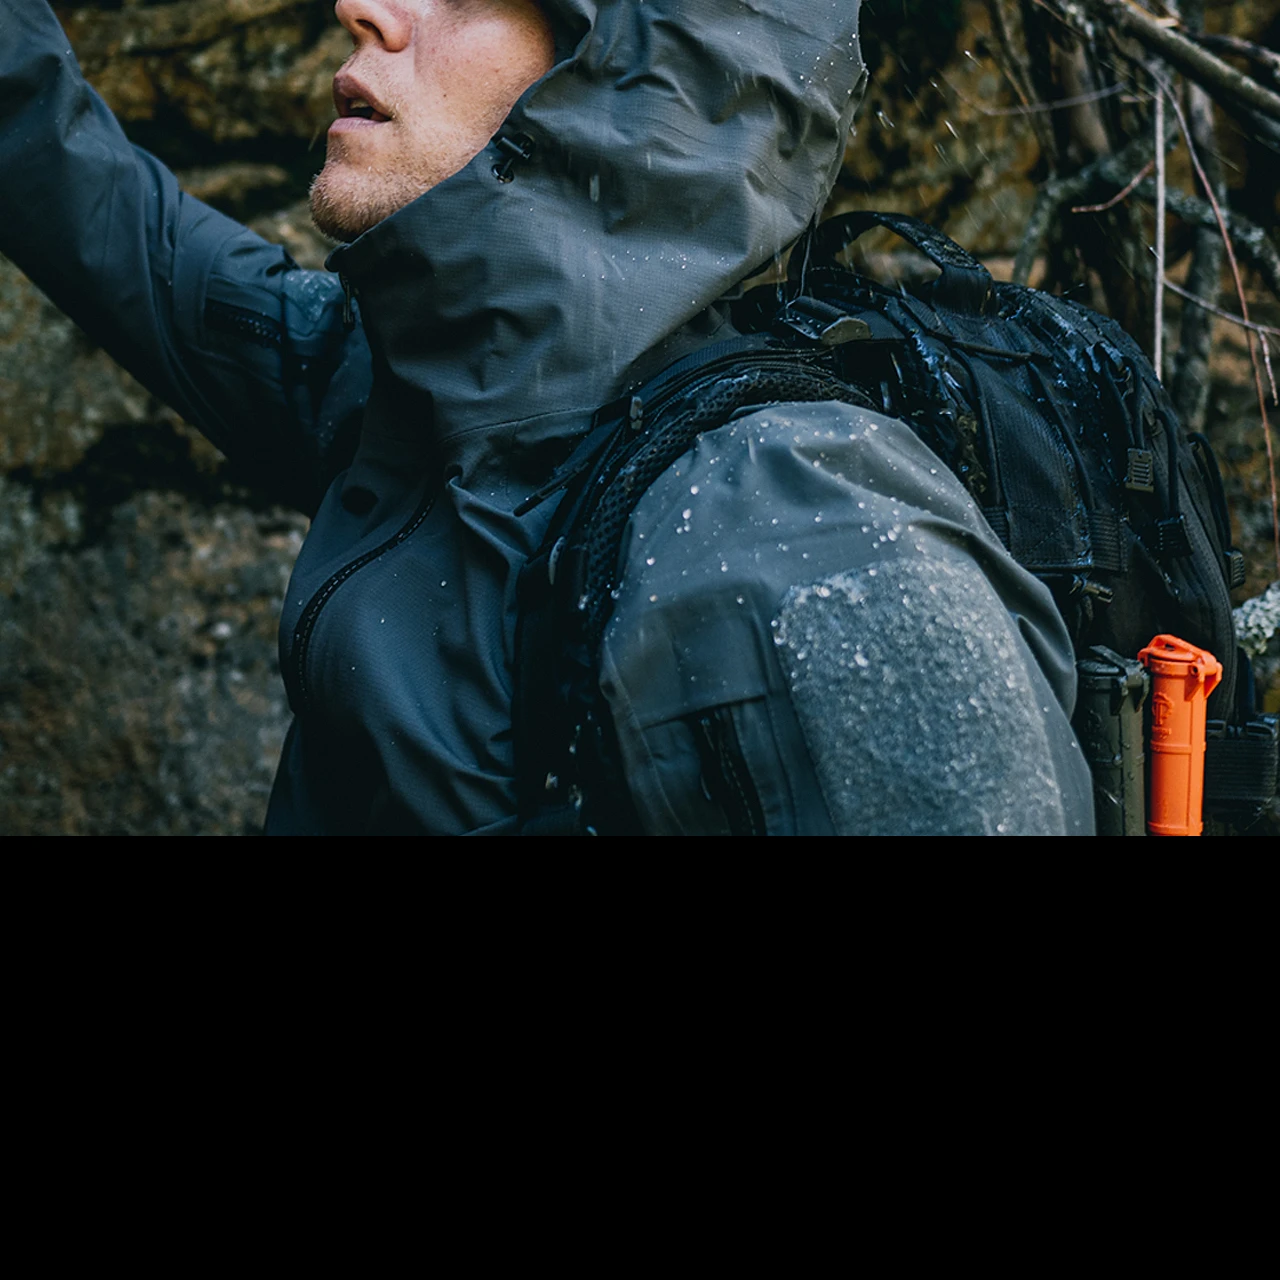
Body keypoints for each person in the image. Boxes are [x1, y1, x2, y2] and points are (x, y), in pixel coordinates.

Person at [0, 0, 1094, 835]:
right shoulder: (410, 391)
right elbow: (89, 201)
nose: (364, 9)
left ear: (628, 89)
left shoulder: (804, 536)